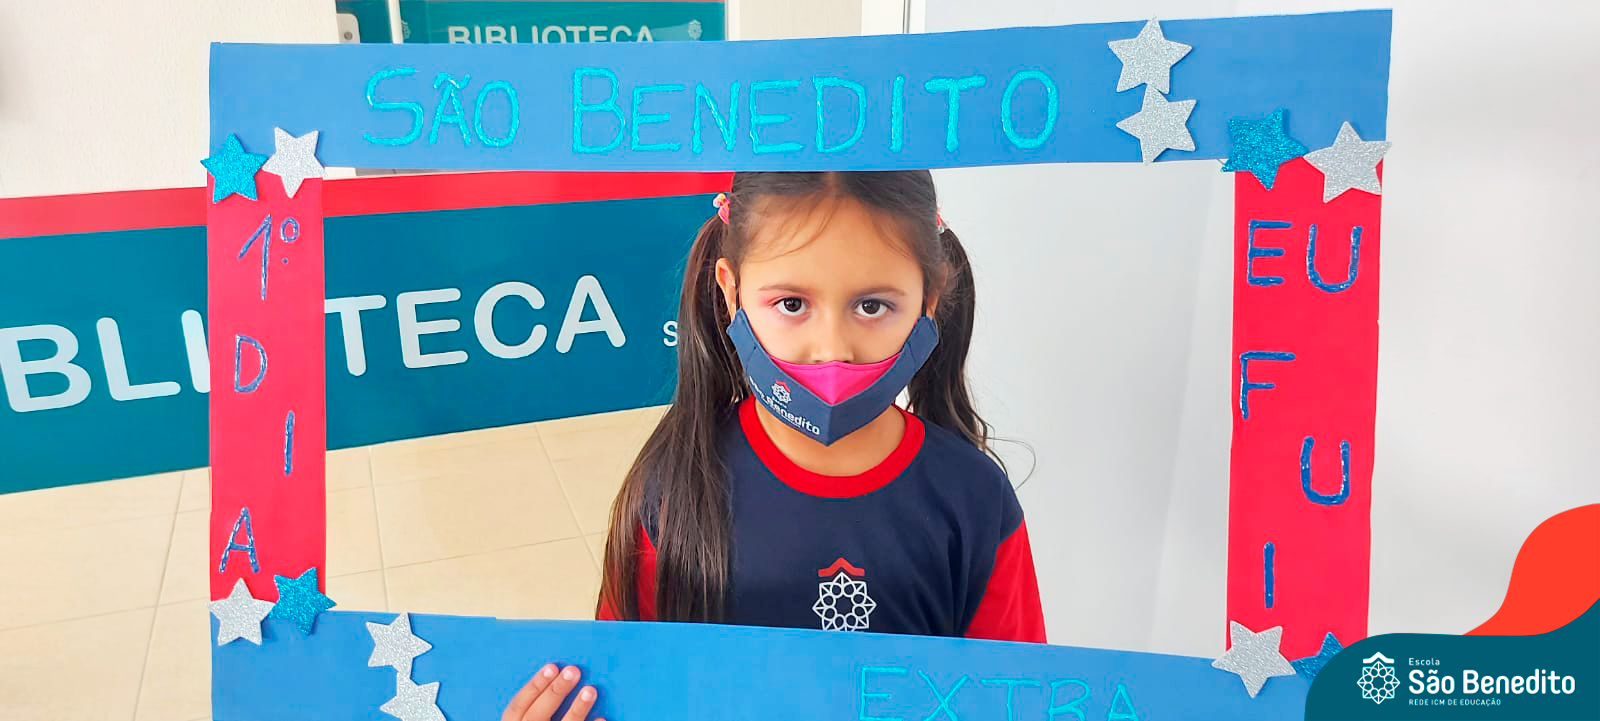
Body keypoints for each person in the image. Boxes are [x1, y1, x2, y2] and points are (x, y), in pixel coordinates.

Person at [502, 170, 1045, 721]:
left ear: (929, 300)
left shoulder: (976, 502)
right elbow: (626, 688)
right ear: (731, 290)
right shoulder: (673, 490)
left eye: (872, 306)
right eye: (790, 304)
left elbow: (1013, 697)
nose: (831, 350)